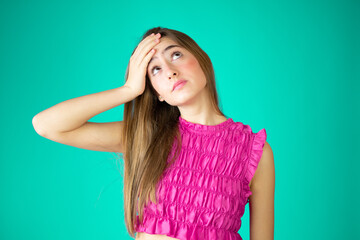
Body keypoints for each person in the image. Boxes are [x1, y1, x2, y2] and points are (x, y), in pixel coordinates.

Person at [32, 27, 275, 240]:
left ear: (202, 60)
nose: (169, 70)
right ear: (157, 93)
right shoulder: (148, 136)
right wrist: (128, 90)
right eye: (155, 69)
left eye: (176, 55)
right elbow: (46, 125)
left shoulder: (254, 150)